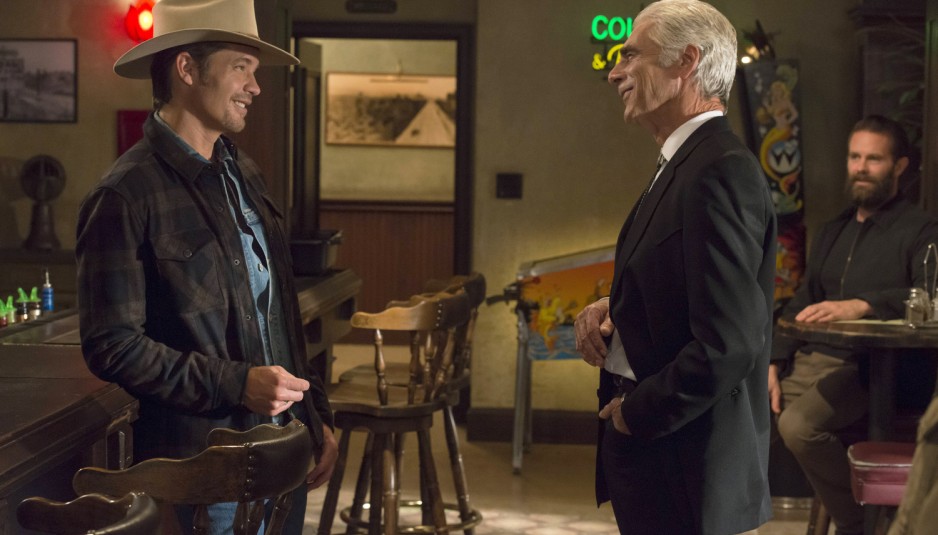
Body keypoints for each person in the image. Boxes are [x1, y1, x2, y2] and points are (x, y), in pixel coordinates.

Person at [75, 0, 337, 532]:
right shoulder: (125, 194)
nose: (255, 86)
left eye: (255, 71)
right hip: (204, 471)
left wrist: (316, 418)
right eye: (241, 67)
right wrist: (235, 384)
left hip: (283, 453)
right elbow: (112, 345)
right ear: (187, 69)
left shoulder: (244, 173)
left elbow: (277, 317)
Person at [573, 1, 776, 533]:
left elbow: (729, 342)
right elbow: (685, 285)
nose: (615, 72)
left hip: (684, 458)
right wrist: (615, 307)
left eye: (631, 55)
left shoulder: (720, 170)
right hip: (663, 453)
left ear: (686, 61)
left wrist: (635, 414)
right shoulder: (687, 162)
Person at [770, 115, 938, 535]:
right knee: (737, 400)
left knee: (797, 426)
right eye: (854, 157)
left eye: (873, 159)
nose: (861, 168)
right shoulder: (834, 230)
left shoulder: (921, 230)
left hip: (874, 369)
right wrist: (772, 360)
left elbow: (929, 297)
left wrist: (864, 305)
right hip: (812, 359)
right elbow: (804, 300)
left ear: (899, 166)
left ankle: (858, 526)